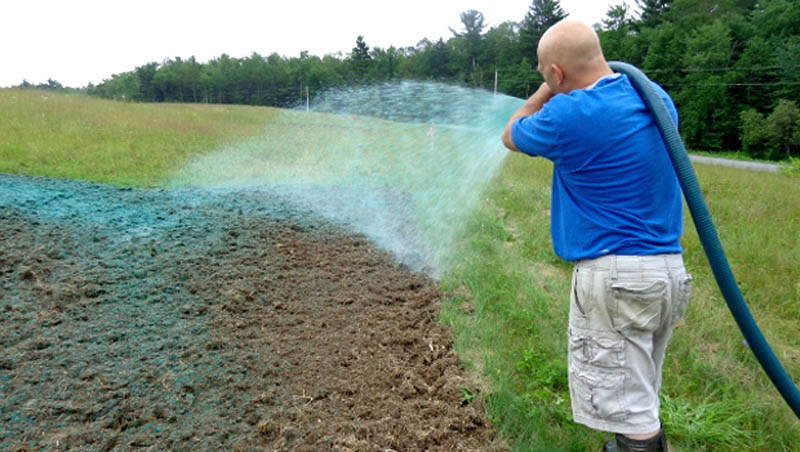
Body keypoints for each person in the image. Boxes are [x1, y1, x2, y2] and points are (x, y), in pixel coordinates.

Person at [501, 19, 692, 452]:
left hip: (617, 278)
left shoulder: (569, 115)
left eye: (542, 70)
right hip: (667, 272)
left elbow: (511, 132)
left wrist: (548, 90)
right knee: (639, 391)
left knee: (631, 409)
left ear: (557, 72)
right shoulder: (655, 97)